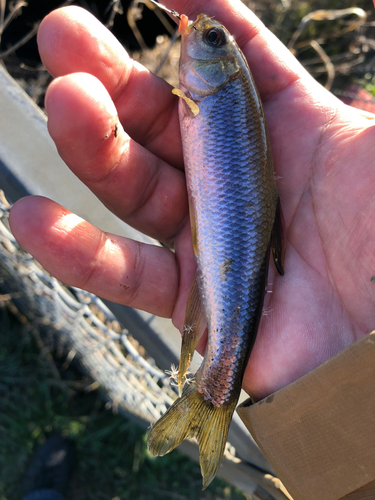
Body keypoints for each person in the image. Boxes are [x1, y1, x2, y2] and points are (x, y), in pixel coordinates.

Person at [9, 0, 375, 403]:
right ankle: (216, 388)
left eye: (213, 39)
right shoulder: (211, 93)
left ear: (225, 69)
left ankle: (216, 388)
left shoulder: (223, 93)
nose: (201, 36)